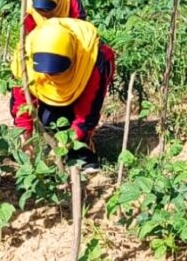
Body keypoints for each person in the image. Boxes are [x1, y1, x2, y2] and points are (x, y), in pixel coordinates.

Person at [9, 18, 115, 171]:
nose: (52, 76)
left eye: (58, 72)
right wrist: (25, 136)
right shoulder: (25, 58)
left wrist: (63, 145)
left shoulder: (93, 61)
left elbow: (87, 114)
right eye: (48, 73)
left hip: (82, 87)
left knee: (75, 130)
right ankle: (55, 139)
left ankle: (81, 151)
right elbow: (21, 101)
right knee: (49, 118)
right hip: (48, 95)